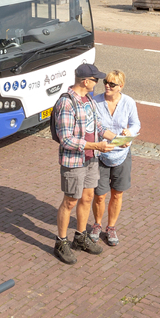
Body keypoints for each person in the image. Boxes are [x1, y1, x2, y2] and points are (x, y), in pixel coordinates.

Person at [53, 62, 117, 265]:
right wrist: (96, 145)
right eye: (96, 79)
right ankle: (61, 241)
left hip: (91, 158)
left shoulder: (88, 99)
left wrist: (114, 138)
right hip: (74, 160)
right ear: (85, 81)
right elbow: (66, 139)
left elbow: (96, 125)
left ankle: (80, 236)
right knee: (70, 201)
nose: (98, 83)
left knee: (88, 197)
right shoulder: (67, 103)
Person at [90, 70, 140, 247]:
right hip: (101, 154)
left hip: (122, 155)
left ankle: (111, 227)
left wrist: (129, 133)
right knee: (99, 195)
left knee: (117, 194)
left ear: (121, 86)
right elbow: (93, 126)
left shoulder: (128, 103)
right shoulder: (95, 101)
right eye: (106, 82)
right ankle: (97, 224)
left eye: (112, 84)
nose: (107, 86)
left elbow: (135, 124)